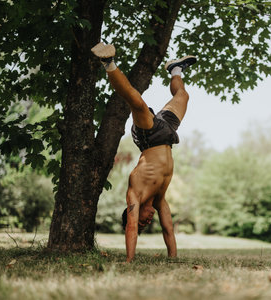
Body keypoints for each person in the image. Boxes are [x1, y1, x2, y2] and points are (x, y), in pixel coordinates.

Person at [91, 42, 197, 262]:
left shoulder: (134, 194)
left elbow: (130, 228)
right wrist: (173, 259)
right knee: (183, 96)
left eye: (142, 221)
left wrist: (129, 261)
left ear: (134, 213)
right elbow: (168, 229)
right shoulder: (160, 200)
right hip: (166, 134)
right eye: (145, 224)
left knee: (137, 103)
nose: (146, 222)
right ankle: (175, 69)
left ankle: (108, 62)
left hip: (148, 137)